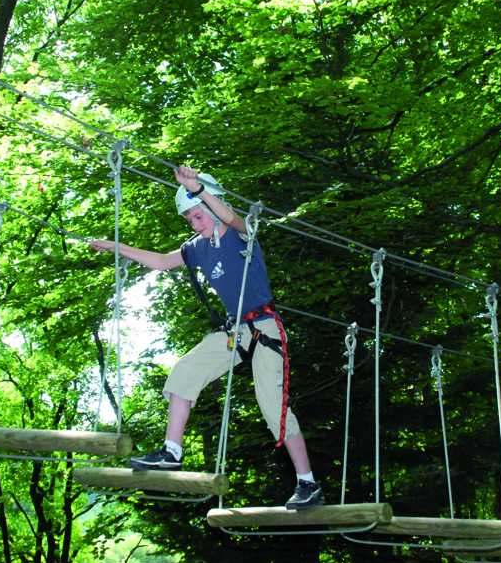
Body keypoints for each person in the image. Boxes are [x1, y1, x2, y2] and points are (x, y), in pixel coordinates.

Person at [89, 165, 324, 510]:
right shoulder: (198, 247)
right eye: (190, 219)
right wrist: (114, 246)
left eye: (199, 215)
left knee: (273, 407)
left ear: (211, 206)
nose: (196, 224)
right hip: (236, 331)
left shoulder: (239, 233)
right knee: (183, 372)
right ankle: (172, 452)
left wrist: (198, 189)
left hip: (265, 327)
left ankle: (308, 483)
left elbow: (230, 216)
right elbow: (160, 261)